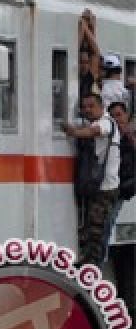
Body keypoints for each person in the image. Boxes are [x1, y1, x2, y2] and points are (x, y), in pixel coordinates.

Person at [62, 93, 122, 267]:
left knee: (96, 232)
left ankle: (93, 270)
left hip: (105, 188)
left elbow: (95, 131)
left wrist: (74, 132)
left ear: (101, 107)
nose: (87, 110)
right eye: (84, 107)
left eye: (91, 106)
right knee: (89, 230)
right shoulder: (94, 122)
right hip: (96, 187)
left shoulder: (106, 123)